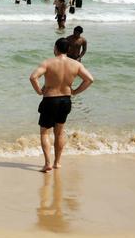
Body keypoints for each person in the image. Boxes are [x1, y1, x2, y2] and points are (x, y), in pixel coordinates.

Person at [29, 38, 94, 173]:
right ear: (69, 50)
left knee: (45, 133)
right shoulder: (75, 64)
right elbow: (89, 79)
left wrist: (39, 91)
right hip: (66, 100)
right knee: (59, 133)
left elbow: (33, 77)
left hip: (50, 100)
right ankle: (57, 163)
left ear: (55, 48)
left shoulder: (48, 63)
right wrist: (75, 91)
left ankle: (47, 163)